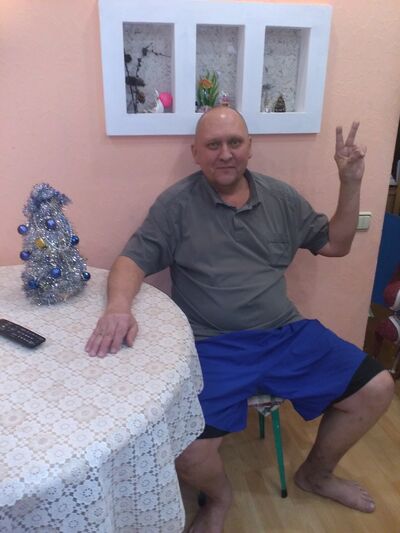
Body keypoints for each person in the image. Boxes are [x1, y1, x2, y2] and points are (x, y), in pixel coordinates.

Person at [85, 107, 394, 533]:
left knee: (378, 387)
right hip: (211, 346)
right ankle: (219, 499)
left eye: (235, 142)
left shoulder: (281, 198)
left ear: (250, 147)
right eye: (213, 145)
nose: (225, 153)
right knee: (188, 453)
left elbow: (336, 245)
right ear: (196, 153)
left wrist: (351, 182)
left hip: (285, 333)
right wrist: (118, 307)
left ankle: (316, 475)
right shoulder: (176, 205)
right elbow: (131, 261)